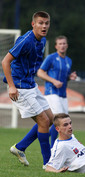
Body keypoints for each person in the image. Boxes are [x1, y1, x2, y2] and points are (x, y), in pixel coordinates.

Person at [2, 11, 54, 167]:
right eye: (40, 23)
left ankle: (20, 147)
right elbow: (5, 61)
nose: (44, 26)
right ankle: (48, 164)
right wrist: (11, 86)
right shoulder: (25, 40)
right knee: (44, 121)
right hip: (19, 87)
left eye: (46, 23)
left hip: (31, 85)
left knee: (51, 119)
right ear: (33, 24)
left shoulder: (42, 40)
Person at [37, 35, 77, 148]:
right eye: (60, 44)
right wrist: (53, 81)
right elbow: (40, 72)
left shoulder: (68, 60)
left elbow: (65, 78)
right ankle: (53, 148)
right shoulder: (51, 58)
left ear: (67, 45)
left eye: (64, 43)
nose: (62, 46)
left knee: (64, 122)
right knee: (60, 120)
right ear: (56, 46)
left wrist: (70, 76)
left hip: (63, 95)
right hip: (52, 92)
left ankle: (44, 139)